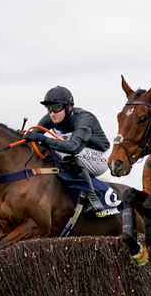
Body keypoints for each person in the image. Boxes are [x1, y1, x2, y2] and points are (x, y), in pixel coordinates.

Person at [22, 86, 110, 214]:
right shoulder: (50, 117)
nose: (52, 113)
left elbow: (73, 147)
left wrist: (43, 139)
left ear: (68, 107)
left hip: (99, 158)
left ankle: (93, 197)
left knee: (62, 150)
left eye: (56, 108)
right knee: (50, 149)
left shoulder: (84, 118)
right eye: (49, 108)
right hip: (78, 152)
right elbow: (34, 136)